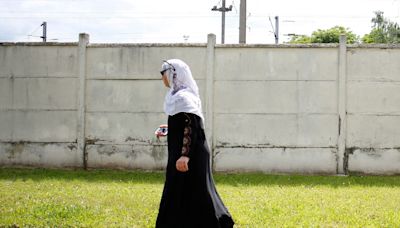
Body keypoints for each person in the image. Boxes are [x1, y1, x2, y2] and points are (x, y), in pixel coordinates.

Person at [156, 59, 234, 228]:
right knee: (185, 191)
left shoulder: (184, 97)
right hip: (185, 151)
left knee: (196, 192)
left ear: (173, 74)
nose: (162, 78)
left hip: (190, 154)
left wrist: (185, 156)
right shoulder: (176, 96)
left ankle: (218, 222)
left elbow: (192, 126)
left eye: (163, 74)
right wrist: (168, 128)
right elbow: (184, 124)